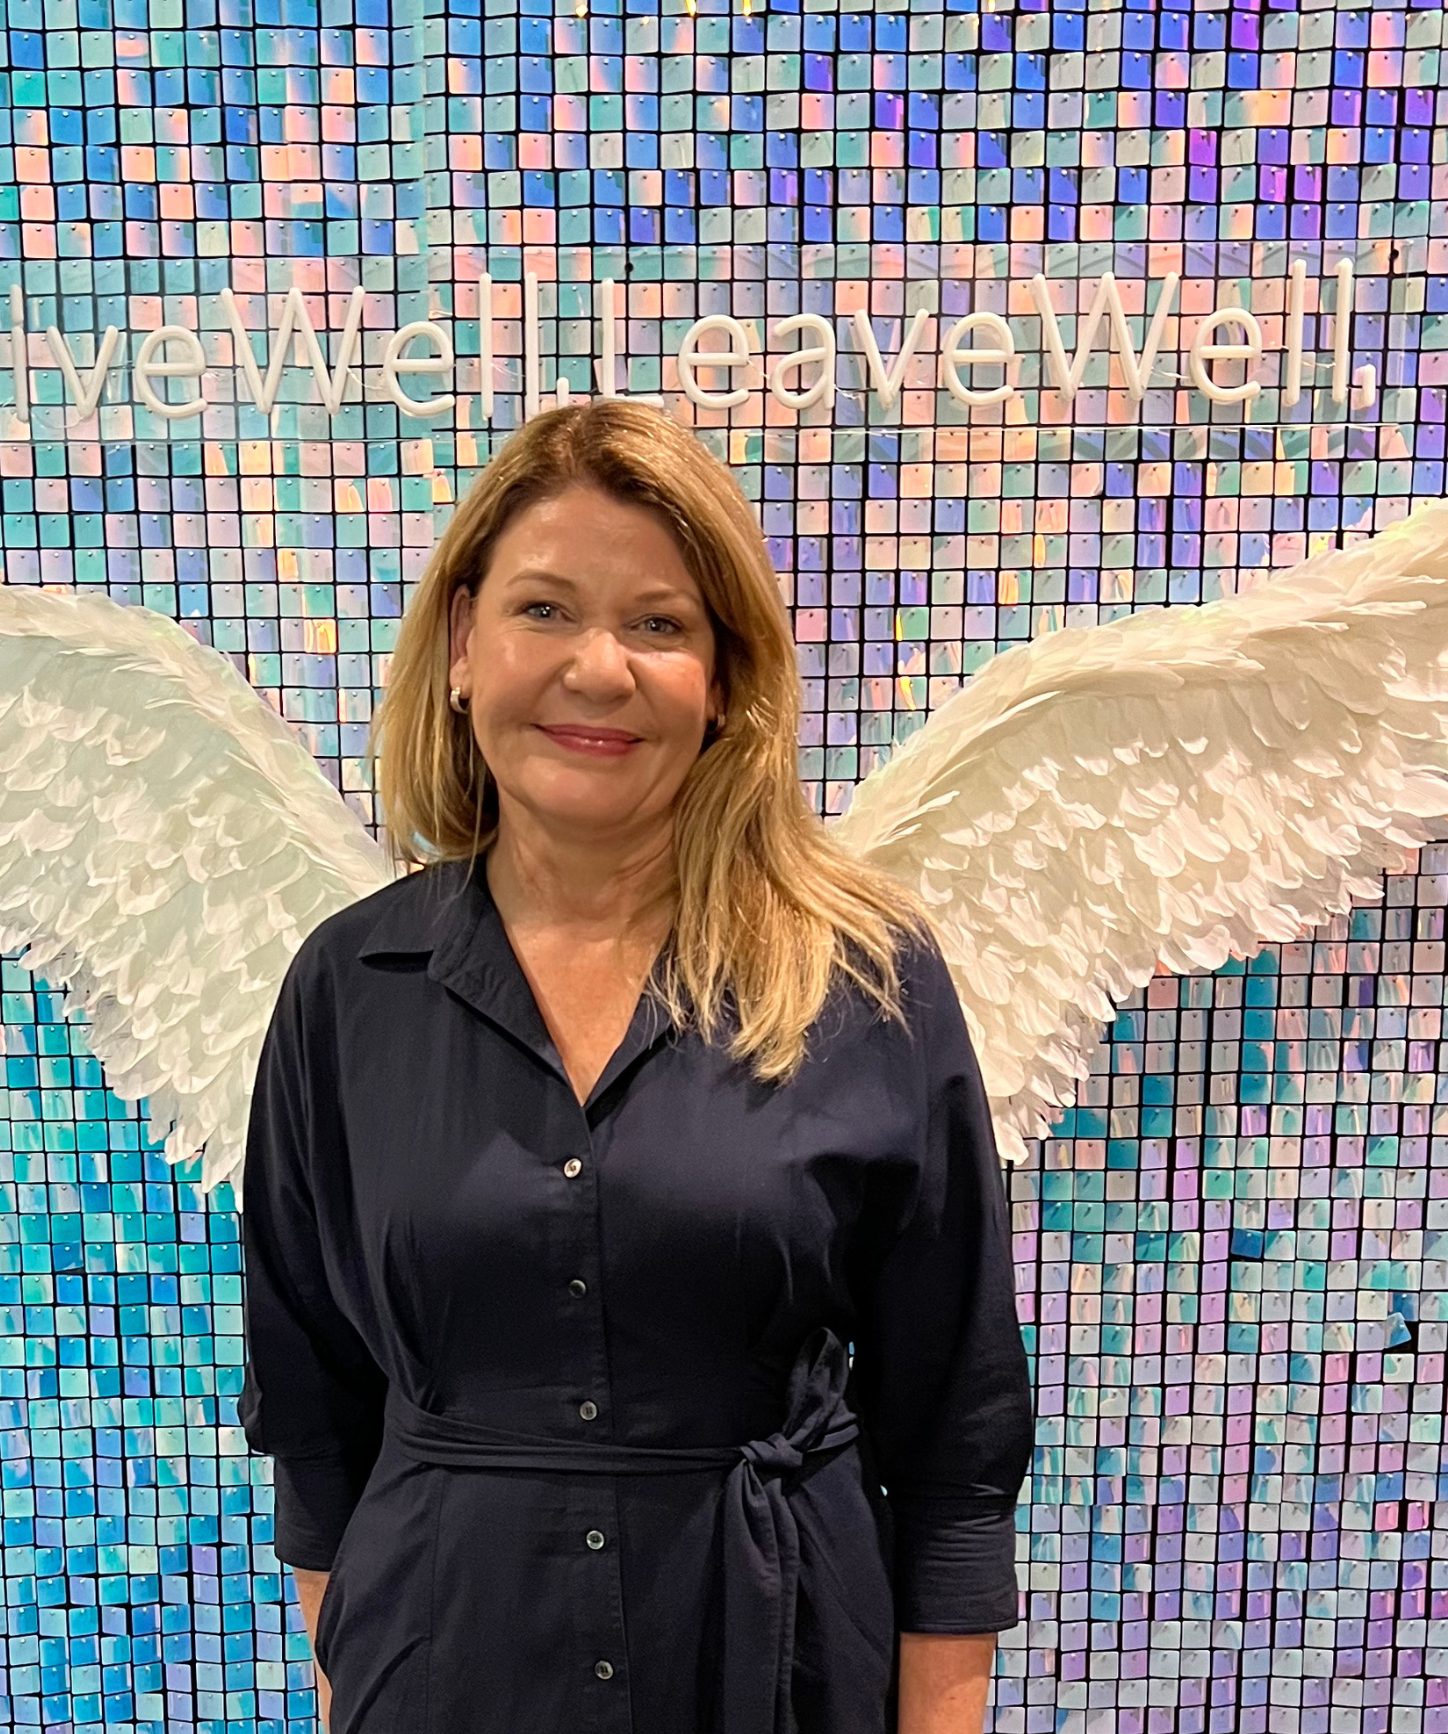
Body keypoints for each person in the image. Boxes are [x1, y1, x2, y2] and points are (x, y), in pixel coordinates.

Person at [239, 399, 1034, 1734]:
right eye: (544, 609)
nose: (598, 669)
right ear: (458, 646)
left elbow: (954, 1437)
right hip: (445, 1672)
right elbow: (314, 1413)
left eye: (659, 624)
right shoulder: (347, 990)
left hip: (777, 1669)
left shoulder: (863, 979)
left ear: (725, 680)